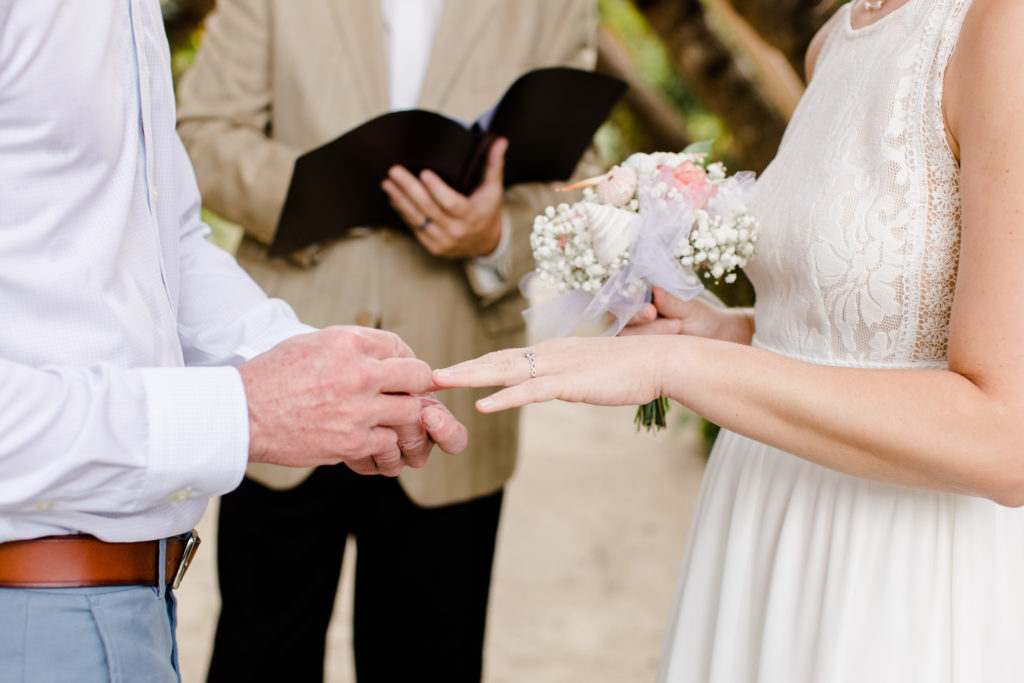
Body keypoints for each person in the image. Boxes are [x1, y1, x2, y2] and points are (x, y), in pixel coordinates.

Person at [433, 0, 1024, 680]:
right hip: (762, 517)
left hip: (897, 567)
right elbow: (840, 329)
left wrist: (682, 364)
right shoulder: (834, 38)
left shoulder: (1000, 26)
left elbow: (1005, 436)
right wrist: (724, 331)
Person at [0, 3, 467, 681]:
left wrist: (313, 365)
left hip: (134, 603)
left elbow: (167, 240)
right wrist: (244, 411)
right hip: (34, 616)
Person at [174, 1, 600, 680]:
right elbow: (198, 133)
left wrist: (494, 233)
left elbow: (580, 178)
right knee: (259, 651)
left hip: (451, 383)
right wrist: (325, 190)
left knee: (432, 656)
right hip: (287, 369)